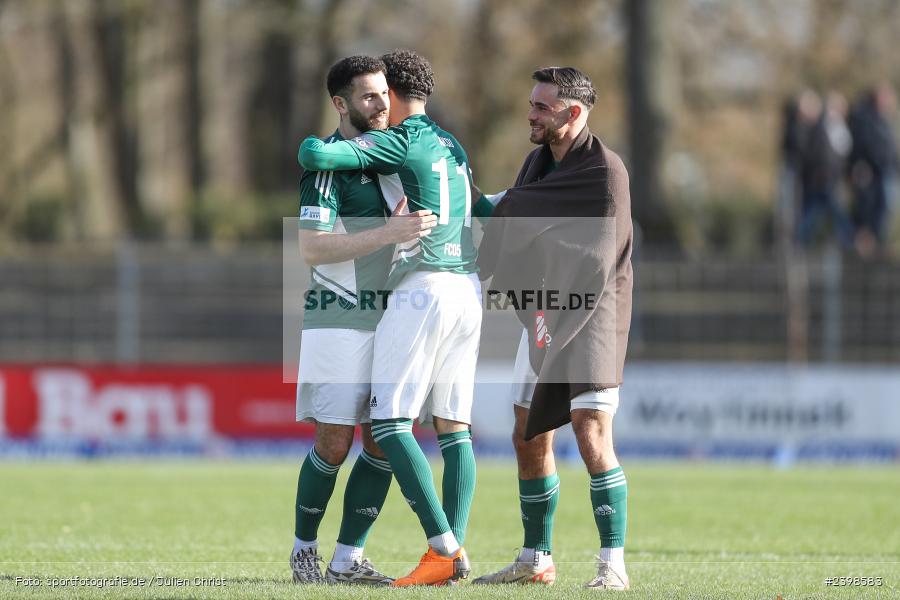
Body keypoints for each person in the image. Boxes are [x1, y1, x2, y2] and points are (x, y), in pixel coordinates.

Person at [298, 49, 485, 587]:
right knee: (346, 441)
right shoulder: (447, 144)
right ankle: (305, 550)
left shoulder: (398, 143)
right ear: (343, 102)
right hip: (347, 313)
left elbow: (315, 152)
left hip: (414, 298)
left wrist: (312, 149)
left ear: (397, 95)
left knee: (387, 430)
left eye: (384, 93)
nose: (379, 104)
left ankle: (413, 552)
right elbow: (311, 248)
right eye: (368, 95)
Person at [474, 66, 634, 590]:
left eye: (542, 107)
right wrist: (456, 193)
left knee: (590, 433)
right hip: (545, 311)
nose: (531, 114)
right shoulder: (536, 164)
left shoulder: (606, 171)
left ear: (574, 112)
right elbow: (515, 215)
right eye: (532, 104)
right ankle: (534, 559)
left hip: (592, 314)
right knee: (527, 433)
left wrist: (500, 208)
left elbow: (589, 250)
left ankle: (613, 565)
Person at [796, 91, 854, 247]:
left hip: (832, 178)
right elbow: (819, 154)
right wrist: (821, 173)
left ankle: (803, 241)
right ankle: (848, 240)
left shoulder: (839, 126)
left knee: (823, 212)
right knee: (827, 211)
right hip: (824, 179)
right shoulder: (823, 127)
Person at [848, 83, 899, 255]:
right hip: (872, 172)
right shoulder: (865, 118)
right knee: (869, 210)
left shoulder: (884, 120)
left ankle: (877, 244)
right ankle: (867, 246)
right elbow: (866, 146)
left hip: (886, 171)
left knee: (885, 209)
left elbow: (890, 149)